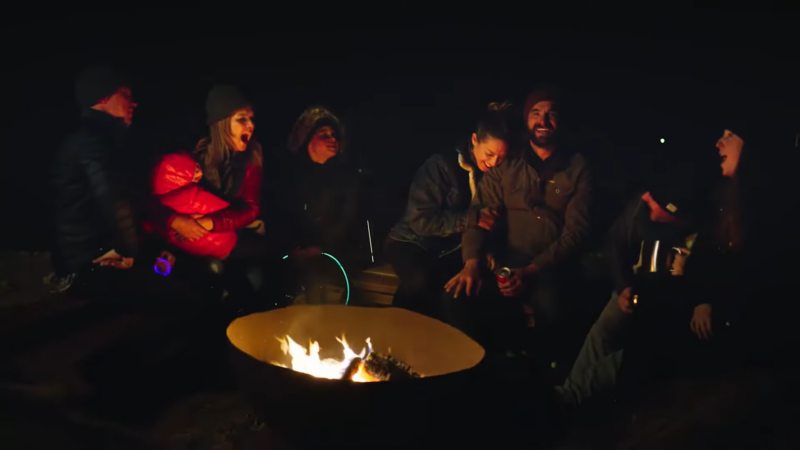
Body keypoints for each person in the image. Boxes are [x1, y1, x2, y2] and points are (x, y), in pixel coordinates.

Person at [444, 86, 593, 353]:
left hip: (549, 265)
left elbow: (576, 233)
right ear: (527, 119)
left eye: (551, 114)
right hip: (507, 260)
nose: (543, 121)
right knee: (459, 297)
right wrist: (472, 262)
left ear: (561, 121)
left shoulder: (578, 167)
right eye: (536, 113)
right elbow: (480, 213)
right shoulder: (509, 162)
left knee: (553, 308)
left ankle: (544, 376)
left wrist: (531, 271)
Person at [555, 179, 706, 407]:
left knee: (628, 357)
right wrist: (624, 286)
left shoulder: (703, 233)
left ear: (673, 212)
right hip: (638, 288)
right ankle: (567, 395)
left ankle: (569, 397)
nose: (646, 199)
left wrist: (699, 293)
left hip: (668, 310)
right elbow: (616, 243)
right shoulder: (641, 209)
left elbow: (711, 277)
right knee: (603, 330)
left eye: (654, 202)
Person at [385, 102, 512, 317]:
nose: (493, 162)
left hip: (448, 249)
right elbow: (421, 221)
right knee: (419, 280)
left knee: (457, 288)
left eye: (500, 158)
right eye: (489, 154)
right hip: (411, 241)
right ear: (474, 140)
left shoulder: (494, 174)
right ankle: (394, 330)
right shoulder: (442, 165)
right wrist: (470, 219)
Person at [148, 85, 271, 300]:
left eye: (251, 119)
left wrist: (209, 222)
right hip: (191, 243)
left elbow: (250, 208)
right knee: (207, 275)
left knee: (256, 272)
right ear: (222, 123)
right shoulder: (195, 156)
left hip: (235, 234)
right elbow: (166, 202)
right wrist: (174, 227)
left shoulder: (252, 155)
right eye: (242, 119)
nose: (250, 125)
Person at [50, 65, 139, 294]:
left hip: (88, 251)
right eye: (126, 95)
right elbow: (112, 196)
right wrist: (128, 249)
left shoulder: (95, 136)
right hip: (90, 258)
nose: (133, 102)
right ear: (103, 97)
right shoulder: (93, 140)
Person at [277, 106, 360, 304]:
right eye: (324, 135)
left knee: (319, 278)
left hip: (330, 252)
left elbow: (345, 220)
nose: (332, 139)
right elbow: (283, 216)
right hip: (291, 251)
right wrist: (294, 249)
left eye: (334, 135)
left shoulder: (345, 179)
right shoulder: (290, 176)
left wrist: (321, 248)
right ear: (307, 139)